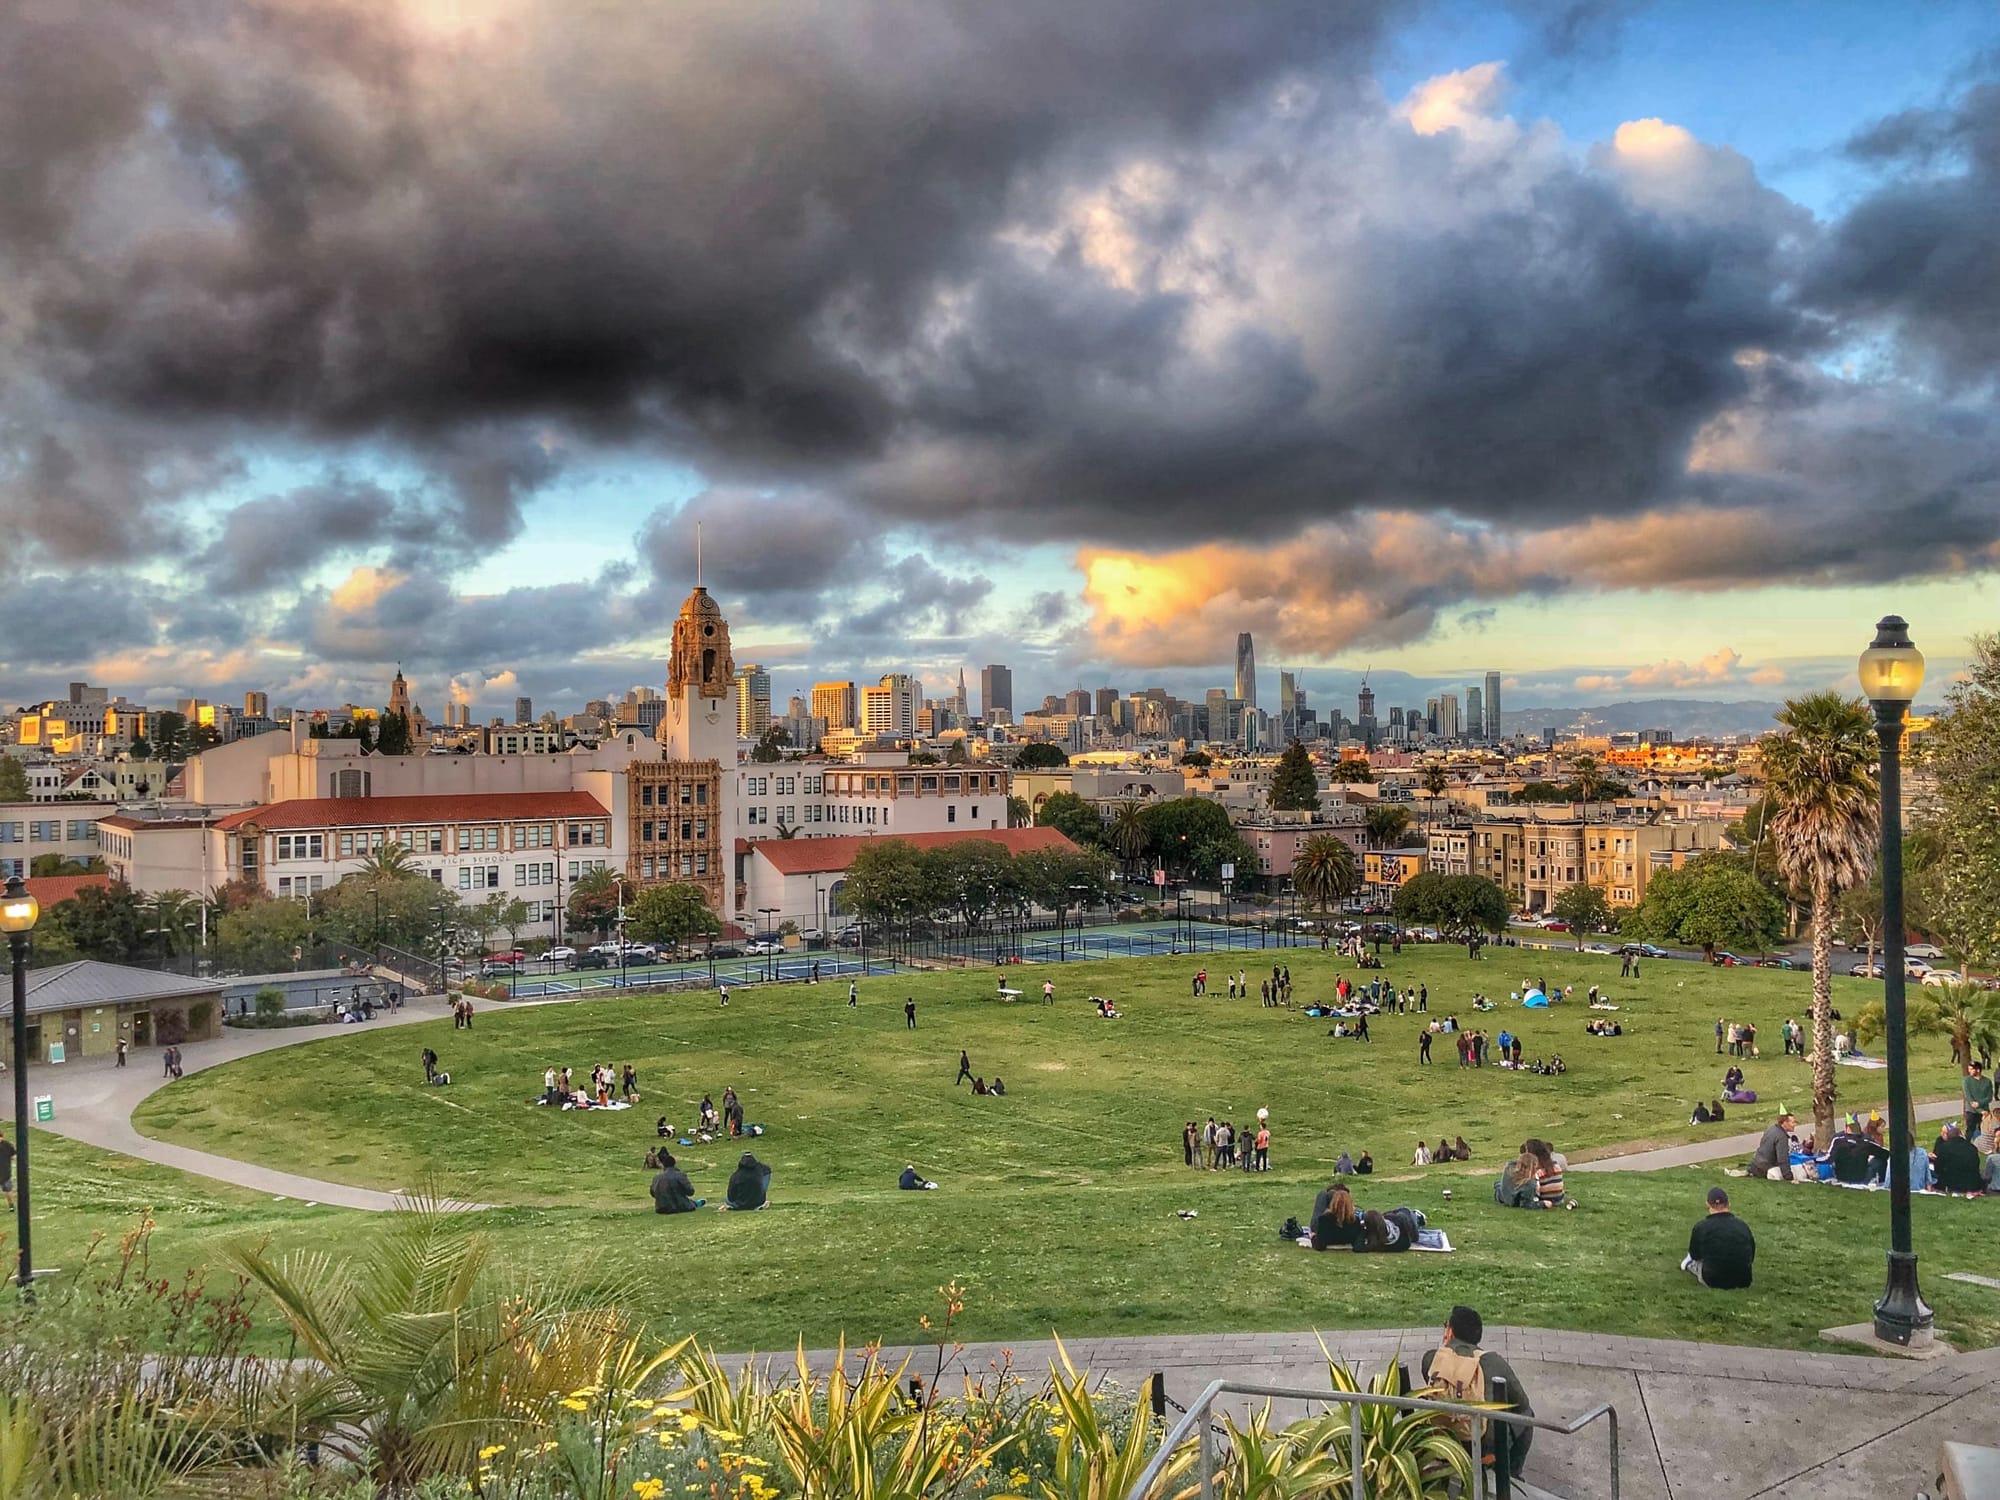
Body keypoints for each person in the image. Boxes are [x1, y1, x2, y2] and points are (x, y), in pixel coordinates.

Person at [1421, 1306, 1534, 1480]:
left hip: (1443, 1441)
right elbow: (1522, 1403)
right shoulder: (1493, 1362)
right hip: (1482, 1446)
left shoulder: (1431, 1359)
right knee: (1528, 1415)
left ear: (1450, 1331)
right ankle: (1512, 1474)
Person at [1683, 1187, 1756, 1288]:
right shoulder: (1743, 1226)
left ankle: (1687, 1265)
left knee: (1694, 1262)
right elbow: (1751, 1255)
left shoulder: (1701, 1227)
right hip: (1743, 1280)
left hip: (1712, 1280)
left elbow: (1695, 1255)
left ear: (1707, 1204)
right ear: (1729, 1204)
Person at [1828, 1115, 1888, 1185]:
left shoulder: (1837, 1139)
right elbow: (1884, 1154)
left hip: (1842, 1177)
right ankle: (1882, 1182)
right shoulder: (1866, 1140)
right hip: (1861, 1177)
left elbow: (1829, 1157)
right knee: (1879, 1160)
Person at [1933, 1120, 1984, 1194]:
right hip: (1972, 1182)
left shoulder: (1944, 1148)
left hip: (1953, 1184)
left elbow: (1938, 1168)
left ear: (1948, 1136)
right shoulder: (1971, 1147)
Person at [1311, 1184, 1365, 1250]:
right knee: (1332, 1194)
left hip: (1326, 1227)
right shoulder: (1355, 1221)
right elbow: (1358, 1245)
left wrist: (1313, 1236)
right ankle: (1341, 1200)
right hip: (1343, 1226)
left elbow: (1319, 1246)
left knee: (1322, 1194)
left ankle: (1336, 1198)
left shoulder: (1324, 1220)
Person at [1750, 1111, 1798, 1182]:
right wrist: (1789, 1177)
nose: (1794, 1125)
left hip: (1755, 1165)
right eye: (1792, 1122)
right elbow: (1782, 1159)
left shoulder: (1772, 1128)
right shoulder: (1781, 1137)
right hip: (1765, 1169)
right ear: (1785, 1123)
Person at [1355, 1206, 1424, 1252]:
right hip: (1407, 1222)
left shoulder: (1375, 1243)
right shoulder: (1392, 1219)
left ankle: (1417, 1216)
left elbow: (1358, 1247)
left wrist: (1363, 1229)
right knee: (1403, 1210)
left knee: (1403, 1211)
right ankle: (1417, 1216)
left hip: (1406, 1222)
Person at [1964, 1060, 1992, 1143]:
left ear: (1978, 1070)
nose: (1969, 1071)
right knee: (1970, 1129)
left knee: (1985, 1129)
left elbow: (1989, 1097)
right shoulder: (1967, 1081)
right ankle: (1967, 1145)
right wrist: (1981, 1111)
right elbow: (1969, 1098)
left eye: (1971, 1069)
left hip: (1985, 1110)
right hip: (1972, 1111)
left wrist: (1980, 1104)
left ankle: (1983, 1145)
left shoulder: (1987, 1081)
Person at [0, 1126, 14, 1211]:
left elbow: (13, 1155)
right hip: (5, 1171)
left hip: (5, 1172)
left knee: (8, 1190)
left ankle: (11, 1205)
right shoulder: (7, 1145)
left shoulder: (7, 1145)